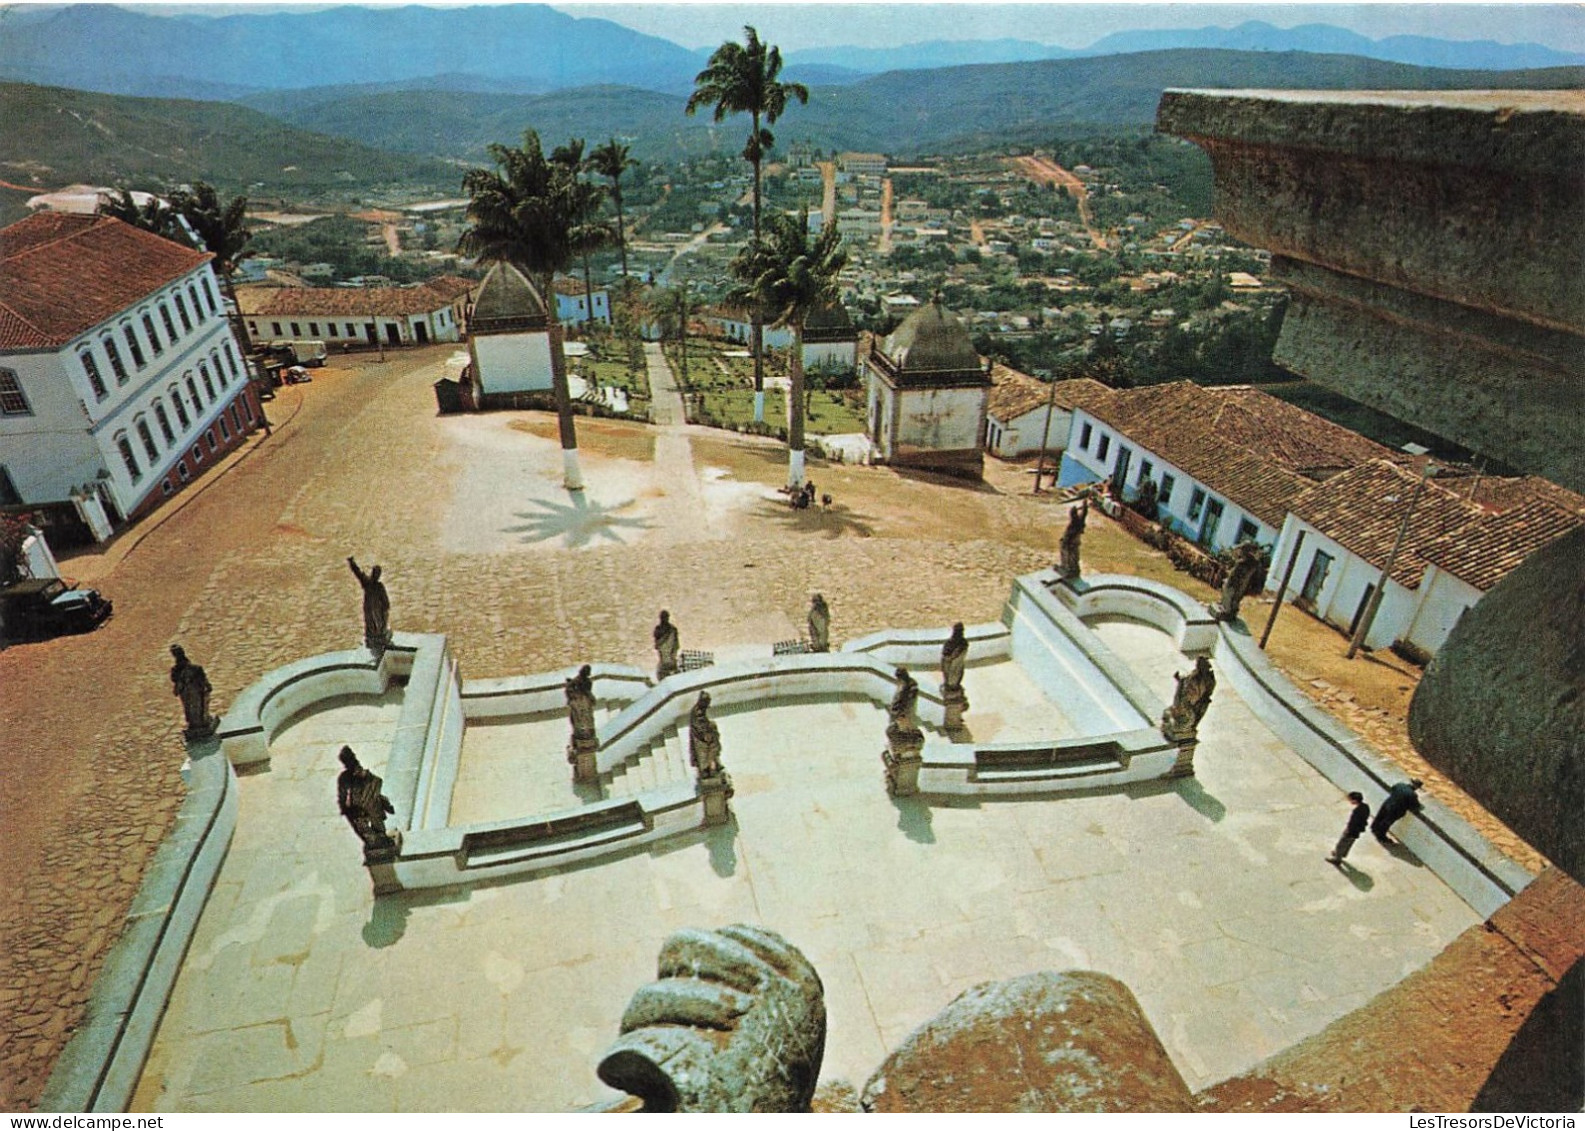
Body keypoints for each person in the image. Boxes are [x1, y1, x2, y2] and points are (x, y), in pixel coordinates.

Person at [336, 746, 397, 850]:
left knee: (374, 812)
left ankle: (379, 838)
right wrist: (346, 806)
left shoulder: (361, 773)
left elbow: (375, 783)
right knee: (364, 826)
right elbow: (343, 796)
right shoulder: (345, 777)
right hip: (357, 809)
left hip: (368, 804)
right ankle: (375, 841)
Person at [169, 643, 216, 737]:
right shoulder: (194, 668)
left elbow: (174, 679)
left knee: (191, 706)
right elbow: (202, 678)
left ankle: (196, 722)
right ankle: (200, 721)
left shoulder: (176, 669)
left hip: (187, 691)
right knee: (196, 705)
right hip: (193, 690)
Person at [347, 556, 391, 650]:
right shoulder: (368, 583)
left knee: (376, 624)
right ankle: (376, 635)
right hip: (372, 610)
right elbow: (358, 573)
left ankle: (378, 635)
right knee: (372, 624)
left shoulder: (376, 586)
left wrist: (385, 610)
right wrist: (352, 563)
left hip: (376, 611)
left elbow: (386, 602)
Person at [1372, 779, 1424, 843]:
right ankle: (1381, 836)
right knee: (1386, 823)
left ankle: (1374, 828)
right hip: (1396, 811)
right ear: (1417, 787)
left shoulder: (1400, 785)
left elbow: (1393, 789)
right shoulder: (1412, 795)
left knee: (1380, 816)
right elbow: (1414, 806)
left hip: (1387, 804)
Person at [1327, 791, 1370, 864]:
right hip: (1358, 830)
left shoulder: (1357, 811)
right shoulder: (1365, 807)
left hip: (1352, 831)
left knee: (1341, 844)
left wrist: (1347, 830)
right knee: (1349, 843)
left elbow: (1353, 823)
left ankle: (1337, 859)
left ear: (1355, 800)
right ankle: (1342, 854)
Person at [689, 691, 722, 777]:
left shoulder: (701, 710)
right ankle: (706, 772)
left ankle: (713, 767)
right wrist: (707, 733)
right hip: (701, 739)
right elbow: (699, 726)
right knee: (704, 756)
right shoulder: (697, 711)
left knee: (714, 749)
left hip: (705, 737)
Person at [1058, 498, 1088, 580]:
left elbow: (1079, 513)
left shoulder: (1074, 523)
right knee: (1073, 558)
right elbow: (1084, 513)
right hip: (1073, 542)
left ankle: (1068, 570)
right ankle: (1072, 570)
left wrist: (1082, 507)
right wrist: (1085, 505)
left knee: (1067, 557)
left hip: (1069, 542)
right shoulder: (1080, 521)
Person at [940, 622, 969, 696]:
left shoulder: (950, 642)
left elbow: (945, 655)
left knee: (952, 677)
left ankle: (952, 687)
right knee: (953, 677)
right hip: (954, 666)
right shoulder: (962, 643)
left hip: (954, 666)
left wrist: (949, 658)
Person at [654, 610, 680, 679]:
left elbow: (676, 644)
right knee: (665, 663)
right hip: (664, 653)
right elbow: (657, 643)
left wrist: (673, 651)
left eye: (666, 617)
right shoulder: (658, 629)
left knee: (670, 663)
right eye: (663, 617)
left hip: (670, 653)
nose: (664, 619)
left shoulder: (672, 629)